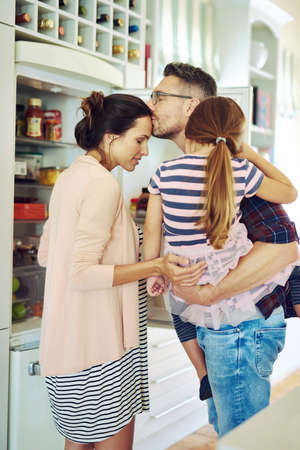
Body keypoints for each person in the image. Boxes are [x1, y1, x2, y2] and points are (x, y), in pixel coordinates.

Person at [37, 91, 206, 450]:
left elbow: (48, 256)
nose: (144, 151)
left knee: (78, 442)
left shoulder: (70, 177)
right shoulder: (103, 186)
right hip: (102, 347)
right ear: (112, 137)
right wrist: (157, 264)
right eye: (140, 139)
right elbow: (80, 274)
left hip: (64, 346)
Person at [144, 62, 300, 436]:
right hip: (218, 327)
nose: (150, 105)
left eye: (159, 96)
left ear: (191, 107)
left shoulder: (223, 172)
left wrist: (205, 290)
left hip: (240, 326)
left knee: (241, 432)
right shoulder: (223, 172)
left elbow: (286, 248)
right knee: (229, 429)